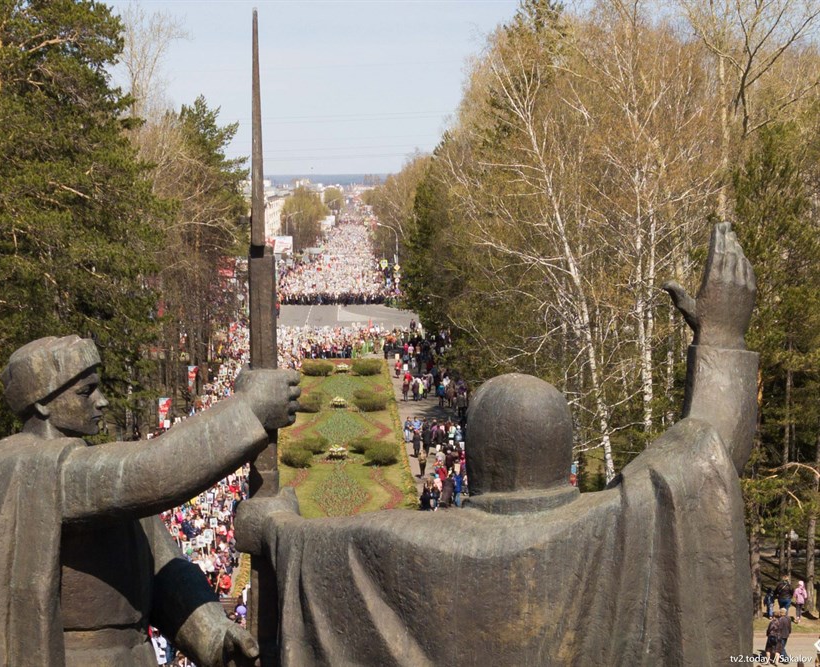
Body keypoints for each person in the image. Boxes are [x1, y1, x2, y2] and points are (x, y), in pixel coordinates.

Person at [236, 223, 760, 664]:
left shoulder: (400, 542)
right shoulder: (622, 522)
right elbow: (710, 455)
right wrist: (722, 337)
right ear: (566, 452)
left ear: (473, 455)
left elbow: (303, 544)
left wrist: (272, 522)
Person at [0, 335, 300, 667]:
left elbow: (162, 570)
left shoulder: (84, 470)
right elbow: (153, 470)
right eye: (86, 391)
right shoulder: (30, 467)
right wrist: (247, 411)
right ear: (43, 403)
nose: (101, 401)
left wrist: (213, 633)